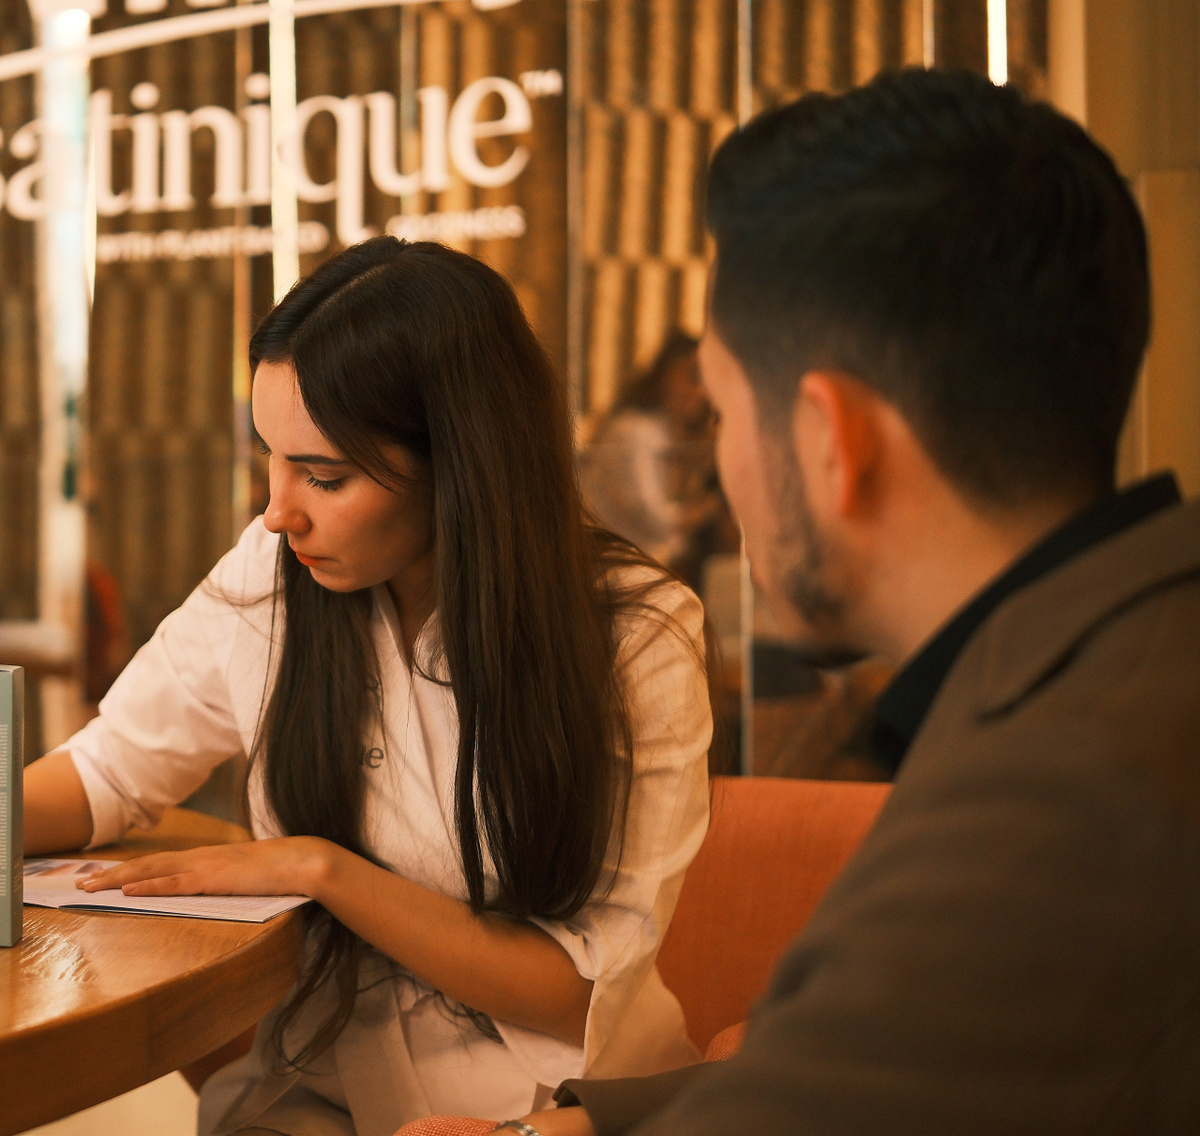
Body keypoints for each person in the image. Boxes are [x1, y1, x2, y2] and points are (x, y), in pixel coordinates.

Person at [442, 68, 1200, 1136]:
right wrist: (588, 1120)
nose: (724, 470)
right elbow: (903, 1056)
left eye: (722, 411)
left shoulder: (1058, 806)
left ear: (831, 438)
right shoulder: (1127, 659)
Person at [23, 237, 715, 1135]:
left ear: (461, 466)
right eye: (271, 458)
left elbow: (576, 993)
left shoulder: (636, 637)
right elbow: (108, 772)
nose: (278, 511)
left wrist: (322, 870)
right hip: (325, 1091)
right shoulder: (272, 573)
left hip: (551, 1109)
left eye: (325, 477)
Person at [578, 333, 728, 577]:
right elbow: (655, 521)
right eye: (693, 376)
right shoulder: (633, 431)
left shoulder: (670, 434)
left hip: (639, 563)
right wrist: (711, 506)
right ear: (666, 374)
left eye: (707, 380)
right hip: (605, 567)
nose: (702, 392)